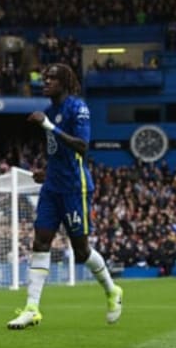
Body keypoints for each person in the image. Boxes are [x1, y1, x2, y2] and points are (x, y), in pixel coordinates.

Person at [7, 63, 122, 330]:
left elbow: (83, 147)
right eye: (44, 78)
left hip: (75, 187)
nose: (45, 82)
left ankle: (112, 290)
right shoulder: (49, 111)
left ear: (64, 83)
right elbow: (59, 152)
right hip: (52, 187)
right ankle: (31, 308)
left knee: (81, 250)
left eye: (51, 79)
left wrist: (49, 126)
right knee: (40, 241)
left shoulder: (77, 107)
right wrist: (46, 172)